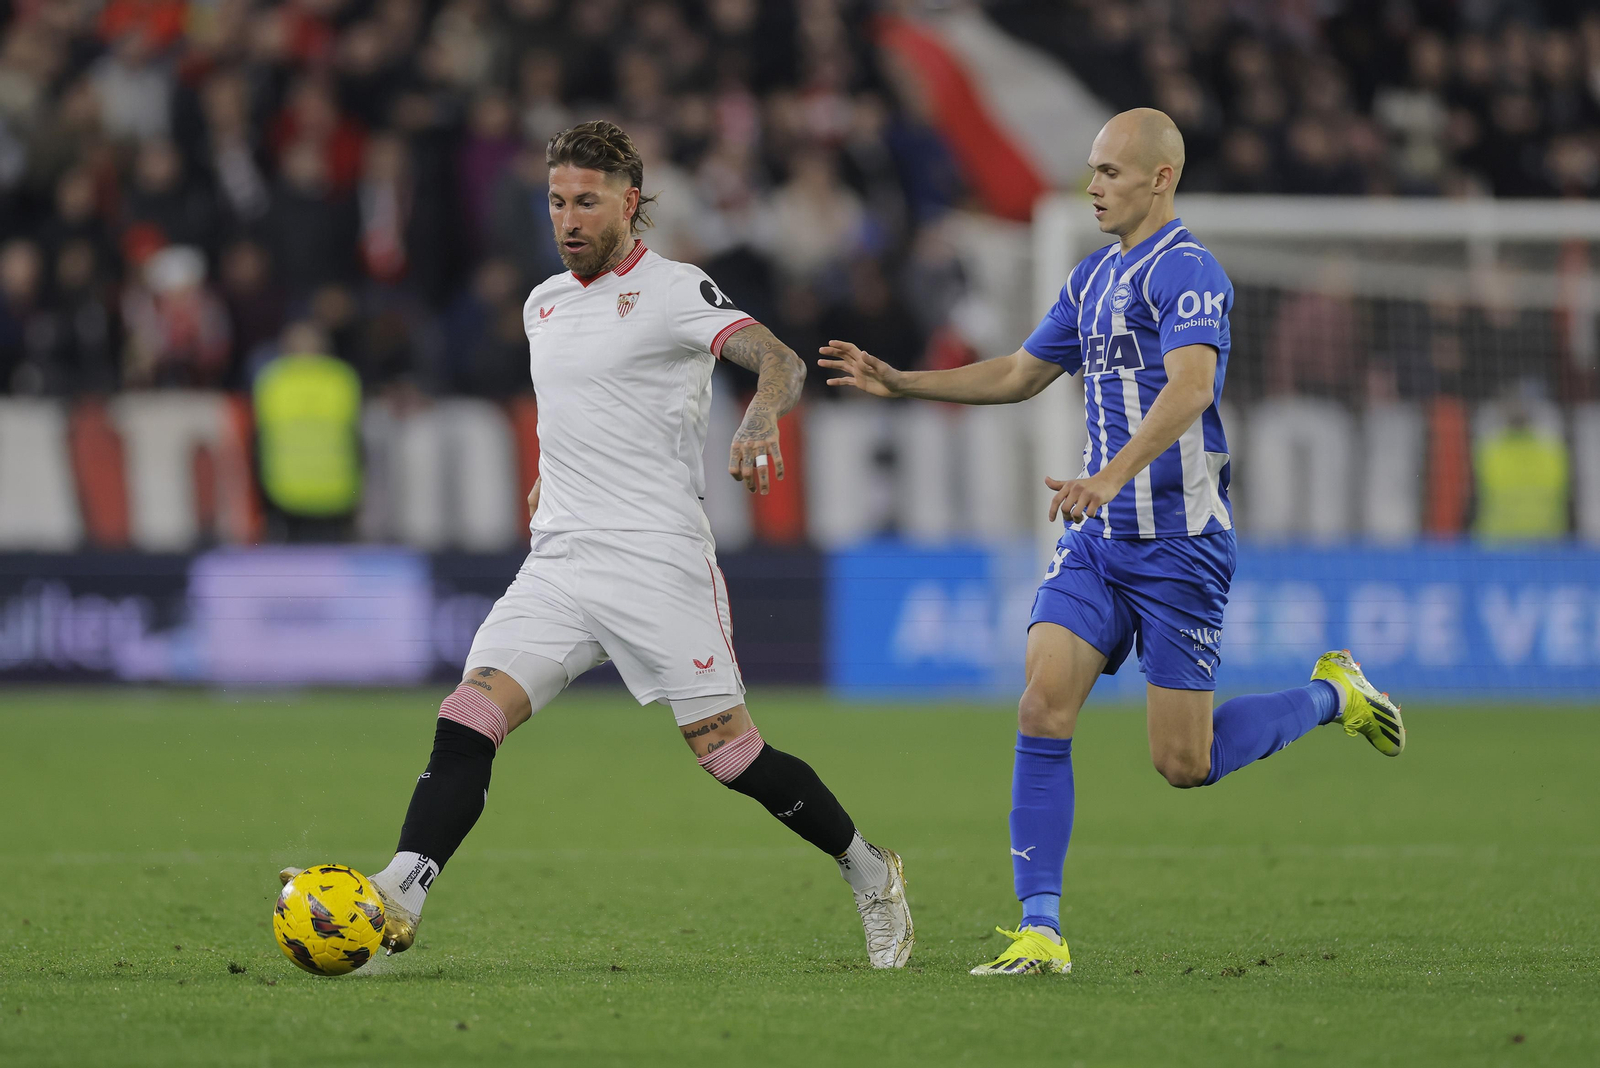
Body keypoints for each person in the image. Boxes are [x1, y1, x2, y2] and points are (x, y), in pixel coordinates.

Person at [282, 121, 913, 969]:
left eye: (586, 201)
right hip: (561, 562)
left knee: (731, 756)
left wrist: (761, 414)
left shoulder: (674, 289)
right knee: (468, 717)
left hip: (657, 562)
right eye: (556, 202)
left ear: (630, 203)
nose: (568, 219)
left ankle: (869, 870)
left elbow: (781, 360)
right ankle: (400, 891)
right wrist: (551, 478)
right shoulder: (542, 303)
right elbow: (581, 411)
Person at [820, 109, 1404, 977]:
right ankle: (1041, 930)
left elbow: (1192, 388)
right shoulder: (1092, 276)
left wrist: (1110, 475)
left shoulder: (1190, 271)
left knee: (1184, 763)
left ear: (1160, 179)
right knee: (1041, 706)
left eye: (1110, 172)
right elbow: (1021, 372)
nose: (1092, 186)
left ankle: (1332, 694)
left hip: (1180, 548)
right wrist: (903, 382)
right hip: (1098, 542)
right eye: (1092, 170)